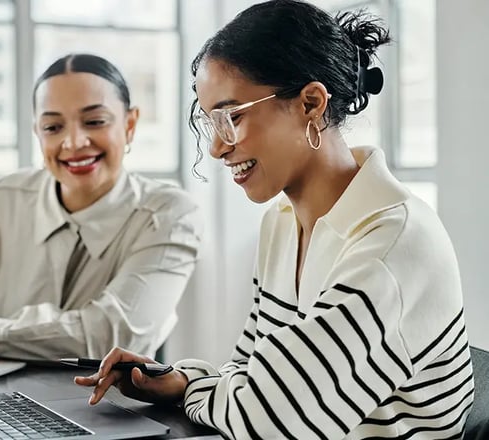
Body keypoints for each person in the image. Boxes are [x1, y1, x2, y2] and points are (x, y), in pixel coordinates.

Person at [75, 1, 474, 438]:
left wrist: (200, 389)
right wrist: (183, 379)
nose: (217, 148)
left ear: (310, 103)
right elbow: (248, 369)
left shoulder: (394, 243)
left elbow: (266, 419)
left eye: (234, 117)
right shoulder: (281, 223)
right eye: (212, 122)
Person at [0, 54, 203, 361]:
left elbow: (108, 339)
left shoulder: (169, 214)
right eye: (53, 127)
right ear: (37, 133)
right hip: (0, 396)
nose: (74, 142)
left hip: (111, 404)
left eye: (94, 122)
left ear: (130, 124)